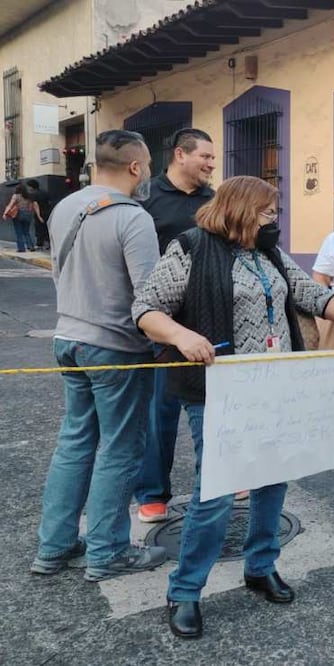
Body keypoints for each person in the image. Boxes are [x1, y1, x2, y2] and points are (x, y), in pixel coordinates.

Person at [134, 175, 334, 639]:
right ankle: (185, 590)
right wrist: (182, 335)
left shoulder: (266, 251)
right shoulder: (190, 248)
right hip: (220, 391)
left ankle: (260, 564)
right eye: (269, 212)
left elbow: (311, 294)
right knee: (217, 494)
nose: (275, 221)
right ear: (241, 209)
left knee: (273, 479)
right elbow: (147, 309)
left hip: (276, 389)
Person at [32, 129, 167, 581]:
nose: (148, 172)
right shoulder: (134, 217)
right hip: (116, 348)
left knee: (74, 443)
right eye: (147, 165)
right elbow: (149, 298)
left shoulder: (64, 207)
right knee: (120, 449)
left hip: (67, 338)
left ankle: (54, 546)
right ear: (134, 167)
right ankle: (107, 551)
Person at [134, 128, 217, 524]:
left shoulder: (212, 200)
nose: (211, 164)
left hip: (208, 322)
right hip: (163, 322)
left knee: (215, 408)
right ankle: (152, 493)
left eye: (212, 159)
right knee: (159, 412)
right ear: (180, 155)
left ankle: (222, 477)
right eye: (205, 157)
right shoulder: (146, 196)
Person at [4, 183, 43, 252]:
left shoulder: (16, 196)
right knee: (26, 232)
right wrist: (39, 216)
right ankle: (31, 246)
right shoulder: (30, 196)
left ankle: (21, 248)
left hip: (18, 214)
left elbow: (10, 205)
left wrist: (5, 213)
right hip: (28, 214)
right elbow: (35, 205)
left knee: (19, 232)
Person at [25, 178, 52, 251]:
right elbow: (49, 202)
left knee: (39, 229)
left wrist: (39, 216)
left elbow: (35, 205)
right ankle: (48, 244)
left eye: (28, 186)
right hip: (47, 213)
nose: (28, 188)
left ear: (31, 186)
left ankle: (39, 244)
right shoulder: (45, 192)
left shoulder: (34, 194)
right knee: (46, 228)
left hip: (39, 214)